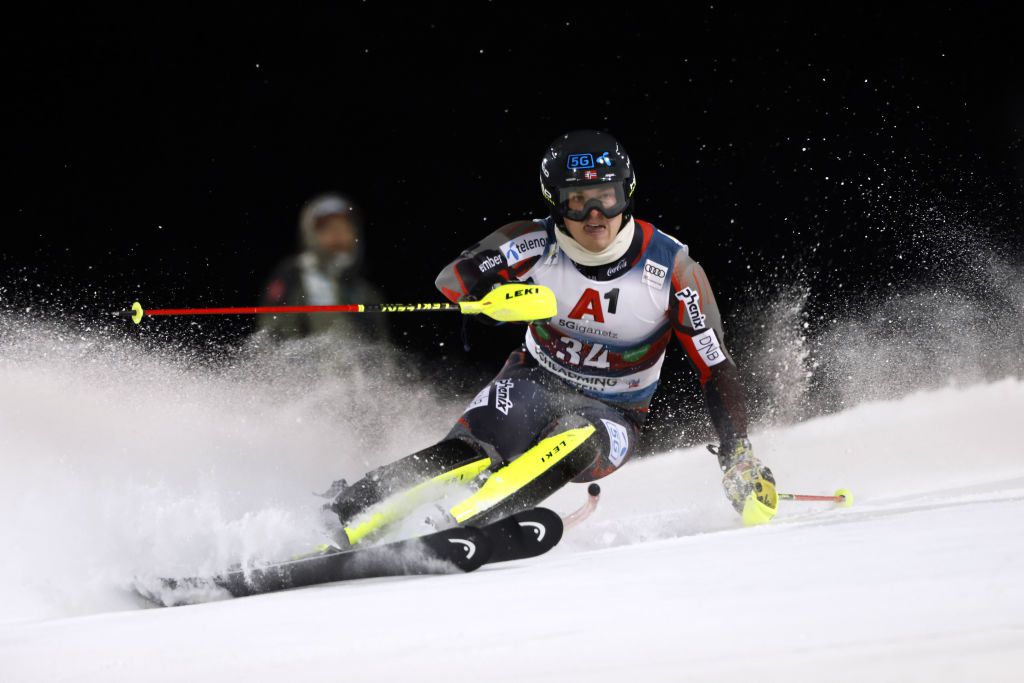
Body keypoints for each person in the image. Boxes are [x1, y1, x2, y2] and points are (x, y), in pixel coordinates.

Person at [327, 130, 776, 543]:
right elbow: (453, 279)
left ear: (628, 194)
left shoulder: (672, 268)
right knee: (472, 451)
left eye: (607, 198)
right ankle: (344, 511)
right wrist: (495, 299)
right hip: (534, 381)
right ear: (555, 202)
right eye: (578, 201)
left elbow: (714, 364)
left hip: (616, 413)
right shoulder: (534, 242)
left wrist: (738, 454)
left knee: (577, 437)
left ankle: (458, 522)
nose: (595, 216)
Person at [258, 193, 389, 342]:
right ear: (311, 234)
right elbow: (271, 331)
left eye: (345, 227)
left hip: (353, 363)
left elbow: (380, 343)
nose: (338, 235)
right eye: (328, 228)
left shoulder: (364, 290)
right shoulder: (293, 275)